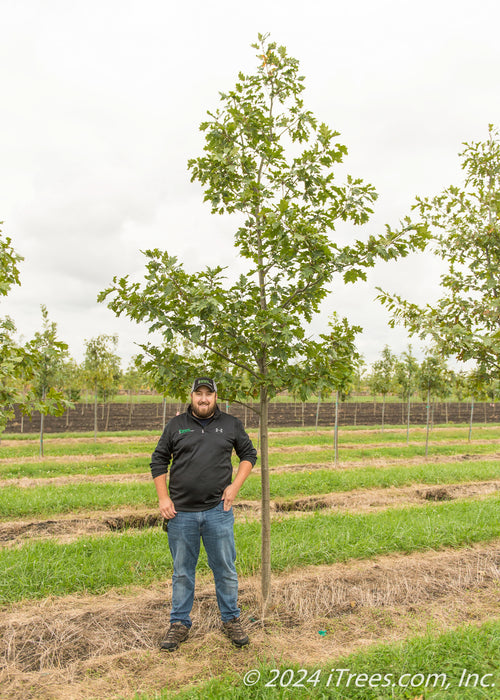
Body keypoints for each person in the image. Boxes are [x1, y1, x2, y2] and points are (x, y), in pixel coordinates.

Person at [150, 377, 257, 651]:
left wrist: (235, 487)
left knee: (225, 569)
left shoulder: (231, 424)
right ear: (191, 395)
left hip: (217, 512)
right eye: (199, 393)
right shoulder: (176, 425)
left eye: (208, 394)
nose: (203, 399)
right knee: (182, 572)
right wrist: (163, 497)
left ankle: (231, 619)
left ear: (216, 396)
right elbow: (159, 460)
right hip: (181, 514)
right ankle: (179, 624)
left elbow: (249, 455)